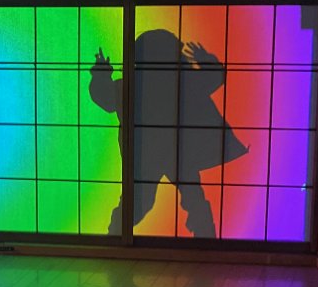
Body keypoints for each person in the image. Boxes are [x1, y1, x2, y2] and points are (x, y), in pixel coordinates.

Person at [89, 30, 248, 237]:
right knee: (192, 197)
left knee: (140, 203)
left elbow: (105, 98)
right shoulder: (183, 82)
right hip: (177, 150)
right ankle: (205, 238)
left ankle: (116, 237)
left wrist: (101, 75)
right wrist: (205, 59)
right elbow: (215, 77)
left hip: (146, 153)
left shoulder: (130, 86)